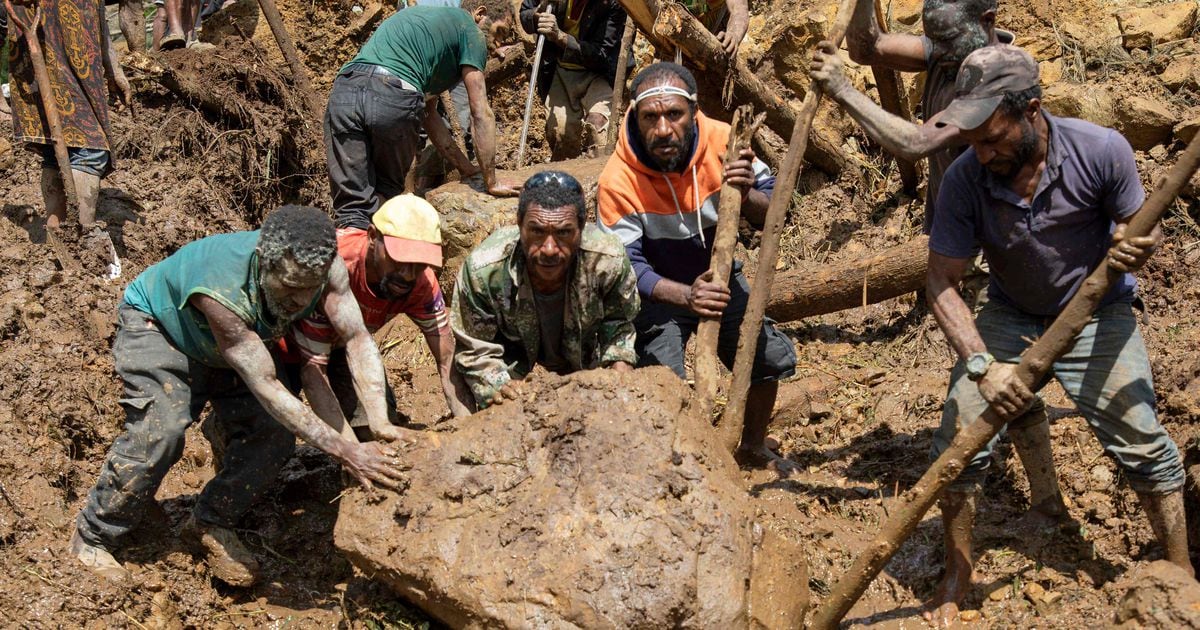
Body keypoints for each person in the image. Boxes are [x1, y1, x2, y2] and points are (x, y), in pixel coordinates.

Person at [923, 45, 1192, 624]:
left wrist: (1137, 244)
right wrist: (981, 363)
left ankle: (1180, 567)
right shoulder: (967, 176)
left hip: (1098, 315)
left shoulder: (1102, 149)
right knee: (960, 438)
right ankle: (958, 572)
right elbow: (942, 281)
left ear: (1032, 110)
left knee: (1141, 437)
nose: (981, 151)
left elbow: (1139, 231)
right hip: (1011, 315)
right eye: (972, 140)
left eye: (992, 137)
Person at [69, 206, 408, 587]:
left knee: (274, 438)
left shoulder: (327, 269)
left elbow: (358, 338)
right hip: (162, 330)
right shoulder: (222, 290)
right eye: (289, 287)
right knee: (160, 430)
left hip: (235, 347)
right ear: (265, 263)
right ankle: (95, 537)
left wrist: (378, 422)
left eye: (308, 290)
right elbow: (267, 385)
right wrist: (346, 451)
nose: (299, 302)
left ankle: (209, 522)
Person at [596, 62, 796, 469]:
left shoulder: (724, 139)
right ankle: (675, 463)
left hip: (719, 276)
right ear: (635, 116)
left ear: (693, 112)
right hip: (658, 292)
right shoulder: (617, 179)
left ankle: (753, 446)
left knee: (767, 357)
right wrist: (687, 296)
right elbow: (628, 268)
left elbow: (775, 209)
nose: (664, 129)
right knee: (662, 383)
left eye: (674, 115)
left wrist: (743, 191)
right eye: (651, 117)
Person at [808, 0, 1011, 233]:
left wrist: (843, 88)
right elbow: (866, 47)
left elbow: (916, 143)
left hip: (986, 243)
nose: (938, 51)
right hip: (948, 232)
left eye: (947, 40)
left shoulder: (998, 83)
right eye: (934, 40)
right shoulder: (954, 45)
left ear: (987, 21)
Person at [282, 194, 473, 433]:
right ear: (372, 236)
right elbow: (313, 373)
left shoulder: (422, 284)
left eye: (419, 263)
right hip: (280, 344)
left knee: (372, 431)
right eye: (399, 259)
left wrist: (469, 428)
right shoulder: (333, 261)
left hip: (342, 346)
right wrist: (350, 452)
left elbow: (446, 360)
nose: (408, 274)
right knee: (270, 438)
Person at [451, 170, 639, 409]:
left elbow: (620, 326)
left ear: (581, 228)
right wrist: (498, 385)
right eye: (537, 231)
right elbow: (475, 350)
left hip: (587, 366)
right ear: (519, 225)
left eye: (563, 233)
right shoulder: (484, 270)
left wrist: (617, 373)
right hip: (512, 368)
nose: (549, 249)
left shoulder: (607, 261)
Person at [325, 1, 521, 221]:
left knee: (352, 207)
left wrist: (466, 168)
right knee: (387, 195)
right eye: (500, 31)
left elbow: (429, 115)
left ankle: (352, 245)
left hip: (344, 91)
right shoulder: (470, 29)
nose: (499, 42)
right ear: (480, 14)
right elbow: (480, 112)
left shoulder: (430, 26)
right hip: (391, 96)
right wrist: (492, 181)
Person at [6, 0, 132, 277]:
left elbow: (98, 14)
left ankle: (55, 234)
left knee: (58, 147)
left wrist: (114, 70)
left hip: (54, 55)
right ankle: (81, 233)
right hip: (53, 57)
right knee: (90, 146)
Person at [518, 0, 627, 158]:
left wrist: (560, 37)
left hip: (599, 72)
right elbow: (525, 13)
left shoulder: (614, 4)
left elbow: (601, 55)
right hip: (561, 69)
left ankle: (601, 176)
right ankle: (567, 175)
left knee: (598, 125)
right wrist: (536, 16)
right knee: (561, 133)